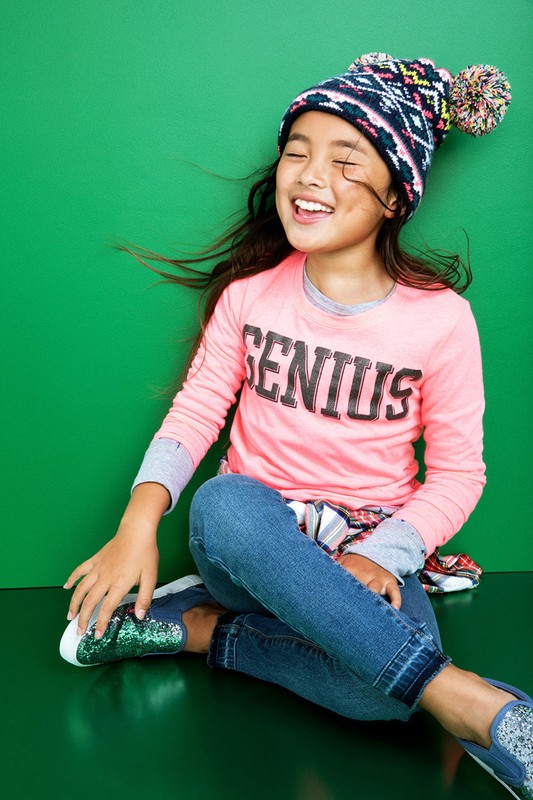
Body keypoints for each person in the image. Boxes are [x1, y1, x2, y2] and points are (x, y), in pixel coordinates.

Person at [60, 54, 531, 798]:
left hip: (364, 556)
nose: (310, 177)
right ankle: (467, 701)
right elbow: (195, 412)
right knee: (225, 503)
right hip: (247, 544)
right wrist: (136, 524)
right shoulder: (250, 296)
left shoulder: (442, 321)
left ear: (394, 196)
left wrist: (382, 555)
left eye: (345, 161)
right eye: (296, 154)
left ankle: (202, 630)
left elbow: (457, 474)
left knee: (381, 694)